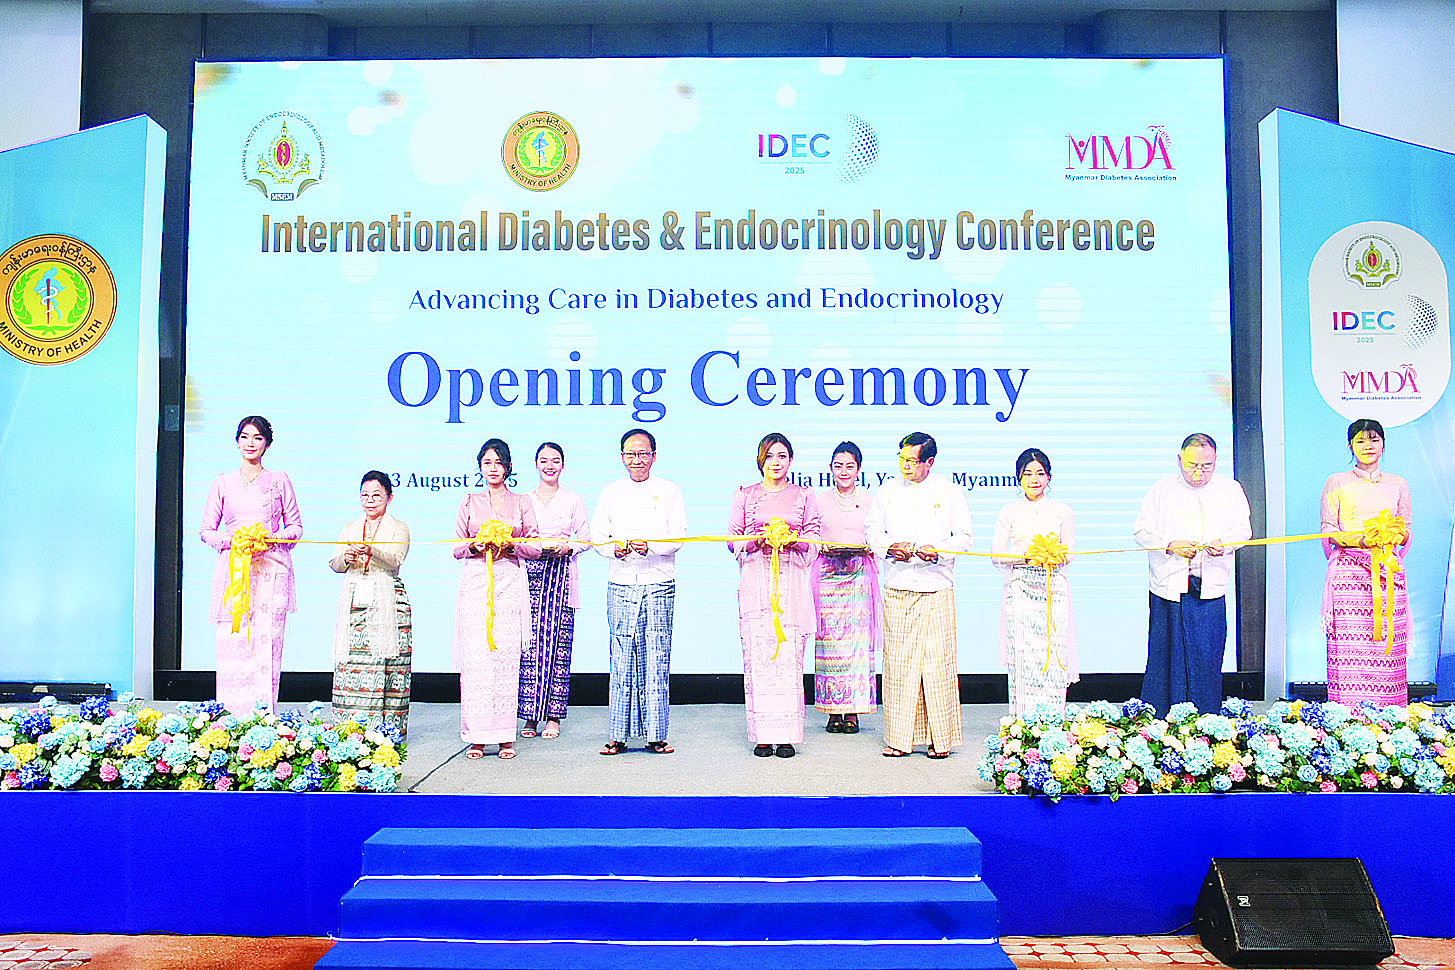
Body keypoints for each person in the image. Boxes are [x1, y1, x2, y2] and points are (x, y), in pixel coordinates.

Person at [865, 432, 973, 758]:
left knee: (938, 664)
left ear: (930, 462)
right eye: (902, 459)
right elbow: (872, 531)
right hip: (898, 585)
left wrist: (938, 551)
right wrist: (889, 547)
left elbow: (965, 537)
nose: (906, 466)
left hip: (936, 586)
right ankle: (899, 739)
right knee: (899, 665)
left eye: (912, 461)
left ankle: (941, 740)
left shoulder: (949, 492)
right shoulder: (887, 490)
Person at [1132, 433, 1251, 715]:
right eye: (1192, 466)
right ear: (1179, 460)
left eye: (1206, 467)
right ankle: (1160, 719)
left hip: (1209, 588)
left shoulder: (1230, 489)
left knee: (1206, 657)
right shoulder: (1161, 489)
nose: (1198, 473)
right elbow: (1141, 531)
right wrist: (1170, 545)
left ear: (1216, 461)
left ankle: (1205, 719)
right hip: (1168, 588)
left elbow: (1243, 530)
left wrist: (1224, 544)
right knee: (1165, 657)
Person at [590, 428, 687, 756]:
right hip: (621, 582)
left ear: (654, 457)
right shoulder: (610, 492)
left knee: (657, 657)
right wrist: (614, 549)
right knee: (620, 658)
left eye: (643, 453)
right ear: (622, 458)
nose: (637, 460)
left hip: (659, 581)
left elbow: (678, 536)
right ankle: (617, 735)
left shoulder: (670, 491)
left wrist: (652, 546)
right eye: (631, 454)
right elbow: (597, 536)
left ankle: (656, 735)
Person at [200, 415, 303, 715]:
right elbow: (206, 531)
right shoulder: (222, 482)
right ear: (237, 441)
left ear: (267, 444)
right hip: (234, 569)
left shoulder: (279, 480)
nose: (250, 443)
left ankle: (264, 715)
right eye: (245, 437)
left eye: (257, 438)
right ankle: (231, 717)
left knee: (266, 643)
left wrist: (271, 538)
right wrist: (233, 540)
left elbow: (295, 527)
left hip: (272, 569)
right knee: (233, 641)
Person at [729, 433, 822, 758]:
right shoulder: (745, 494)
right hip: (756, 580)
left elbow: (814, 537)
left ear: (791, 460)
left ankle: (786, 736)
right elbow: (732, 539)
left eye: (782, 456)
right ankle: (762, 736)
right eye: (769, 456)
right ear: (760, 460)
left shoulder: (804, 495)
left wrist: (794, 540)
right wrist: (757, 540)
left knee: (789, 656)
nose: (776, 462)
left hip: (791, 581)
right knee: (759, 656)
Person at [453, 438, 539, 760]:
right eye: (487, 463)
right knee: (477, 660)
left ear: (508, 467)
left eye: (498, 463)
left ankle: (504, 736)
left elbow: (535, 546)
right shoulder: (468, 501)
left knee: (505, 659)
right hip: (476, 582)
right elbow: (456, 547)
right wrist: (475, 546)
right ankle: (476, 737)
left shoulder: (521, 502)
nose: (493, 469)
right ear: (480, 467)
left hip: (508, 581)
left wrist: (510, 544)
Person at [1320, 418, 1413, 706]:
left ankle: (1390, 715)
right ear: (1350, 447)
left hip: (1387, 573)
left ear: (1383, 444)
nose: (1368, 446)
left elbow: (1407, 529)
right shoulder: (1337, 481)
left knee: (1389, 645)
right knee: (1349, 647)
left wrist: (1391, 535)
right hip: (1348, 575)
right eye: (1360, 441)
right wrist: (1360, 540)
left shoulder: (1398, 484)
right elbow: (1327, 529)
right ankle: (1346, 714)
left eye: (1374, 439)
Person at [992, 448, 1077, 717]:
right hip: (1020, 588)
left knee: (1054, 654)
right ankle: (1022, 721)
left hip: (1054, 588)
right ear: (1019, 477)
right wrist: (1026, 557)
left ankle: (1053, 719)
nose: (1034, 479)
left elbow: (1070, 553)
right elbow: (996, 555)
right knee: (1023, 656)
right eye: (1027, 474)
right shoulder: (1009, 511)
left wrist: (1053, 556)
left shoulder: (1062, 510)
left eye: (1040, 473)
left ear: (1048, 477)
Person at [329, 470, 412, 737]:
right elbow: (335, 564)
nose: (370, 500)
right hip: (355, 600)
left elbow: (396, 559)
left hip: (387, 599)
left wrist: (371, 551)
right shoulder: (350, 527)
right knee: (351, 662)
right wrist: (347, 558)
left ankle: (385, 732)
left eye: (376, 495)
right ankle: (350, 732)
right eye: (365, 495)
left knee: (387, 661)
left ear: (389, 497)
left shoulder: (399, 527)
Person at [519, 441, 589, 740]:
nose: (549, 466)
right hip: (529, 577)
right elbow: (516, 536)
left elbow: (586, 538)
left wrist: (567, 546)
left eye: (555, 460)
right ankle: (529, 716)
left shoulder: (573, 499)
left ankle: (553, 717)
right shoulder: (523, 499)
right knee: (529, 648)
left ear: (563, 465)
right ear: (536, 464)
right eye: (544, 460)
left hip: (561, 575)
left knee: (559, 647)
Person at [812, 441, 880, 735]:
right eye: (838, 466)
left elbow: (879, 537)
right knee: (829, 644)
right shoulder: (818, 501)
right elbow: (811, 536)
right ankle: (832, 710)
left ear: (859, 469)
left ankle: (853, 711)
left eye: (849, 466)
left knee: (857, 646)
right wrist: (822, 547)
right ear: (830, 468)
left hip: (858, 577)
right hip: (828, 576)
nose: (843, 471)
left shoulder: (871, 501)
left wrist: (867, 547)